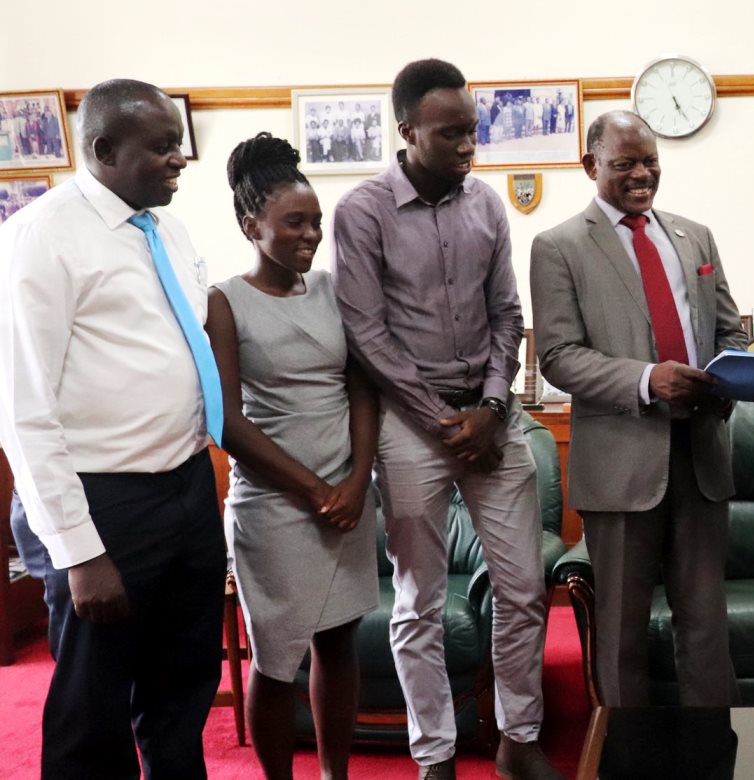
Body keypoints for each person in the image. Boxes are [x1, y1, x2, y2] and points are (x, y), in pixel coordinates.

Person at [332, 58, 560, 780]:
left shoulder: (487, 205)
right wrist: (441, 420)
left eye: (472, 131)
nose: (469, 146)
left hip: (491, 416)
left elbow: (508, 315)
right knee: (417, 599)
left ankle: (518, 740)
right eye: (451, 133)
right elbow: (367, 335)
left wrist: (492, 409)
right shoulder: (361, 211)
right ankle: (433, 754)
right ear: (407, 131)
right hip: (409, 423)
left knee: (523, 588)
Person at [0, 78, 226, 778]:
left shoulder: (166, 226)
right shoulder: (40, 240)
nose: (178, 160)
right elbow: (22, 410)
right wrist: (78, 551)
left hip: (186, 488)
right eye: (161, 148)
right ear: (101, 150)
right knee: (92, 710)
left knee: (183, 687)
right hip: (103, 502)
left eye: (178, 146)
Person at [530, 110, 748, 708]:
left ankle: (716, 758)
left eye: (650, 161)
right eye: (625, 163)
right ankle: (627, 757)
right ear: (590, 166)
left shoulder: (695, 235)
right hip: (621, 464)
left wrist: (738, 371)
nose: (642, 174)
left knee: (705, 625)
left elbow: (731, 330)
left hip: (701, 455)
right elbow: (558, 355)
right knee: (622, 632)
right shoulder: (558, 247)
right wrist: (650, 380)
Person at [205, 132, 379, 780]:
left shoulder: (337, 289)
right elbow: (225, 420)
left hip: (348, 495)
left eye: (316, 223)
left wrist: (357, 481)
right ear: (251, 224)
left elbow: (364, 385)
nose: (310, 235)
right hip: (275, 506)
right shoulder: (225, 301)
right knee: (276, 658)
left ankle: (335, 775)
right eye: (294, 223)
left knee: (340, 643)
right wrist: (313, 489)